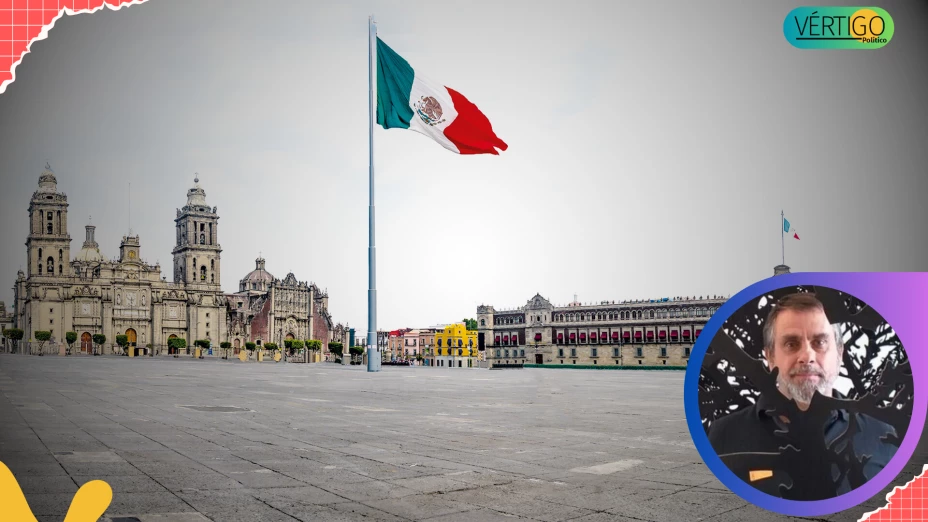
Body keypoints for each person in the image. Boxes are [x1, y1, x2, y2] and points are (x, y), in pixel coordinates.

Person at [707, 293, 899, 500]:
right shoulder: (723, 435)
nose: (807, 356)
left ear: (840, 354)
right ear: (770, 357)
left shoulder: (884, 436)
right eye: (791, 344)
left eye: (820, 342)